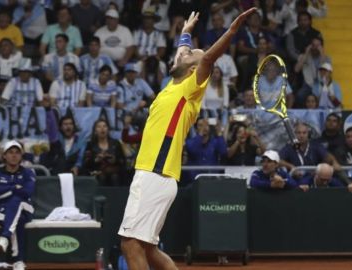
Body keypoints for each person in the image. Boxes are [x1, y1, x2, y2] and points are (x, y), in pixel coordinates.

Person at [118, 8, 255, 269]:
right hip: (156, 175)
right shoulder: (173, 85)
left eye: (189, 54)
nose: (182, 53)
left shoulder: (190, 89)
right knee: (147, 247)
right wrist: (185, 33)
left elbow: (207, 59)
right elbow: (183, 53)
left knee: (130, 243)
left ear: (193, 69)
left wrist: (232, 30)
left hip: (155, 173)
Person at [0, 140, 35, 270]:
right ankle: (18, 260)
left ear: (21, 156)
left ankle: (4, 238)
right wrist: (15, 187)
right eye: (10, 152)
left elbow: (28, 192)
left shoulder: (28, 173)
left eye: (17, 153)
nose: (14, 155)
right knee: (18, 219)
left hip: (26, 208)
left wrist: (4, 188)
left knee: (17, 200)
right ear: (4, 155)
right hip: (0, 211)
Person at [83, 119, 125, 186]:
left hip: (114, 172)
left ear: (108, 129)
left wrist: (114, 160)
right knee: (102, 177)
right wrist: (96, 160)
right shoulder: (90, 144)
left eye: (104, 126)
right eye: (99, 127)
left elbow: (123, 161)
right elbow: (86, 163)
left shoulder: (115, 143)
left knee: (114, 177)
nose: (102, 129)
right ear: (95, 131)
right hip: (97, 172)